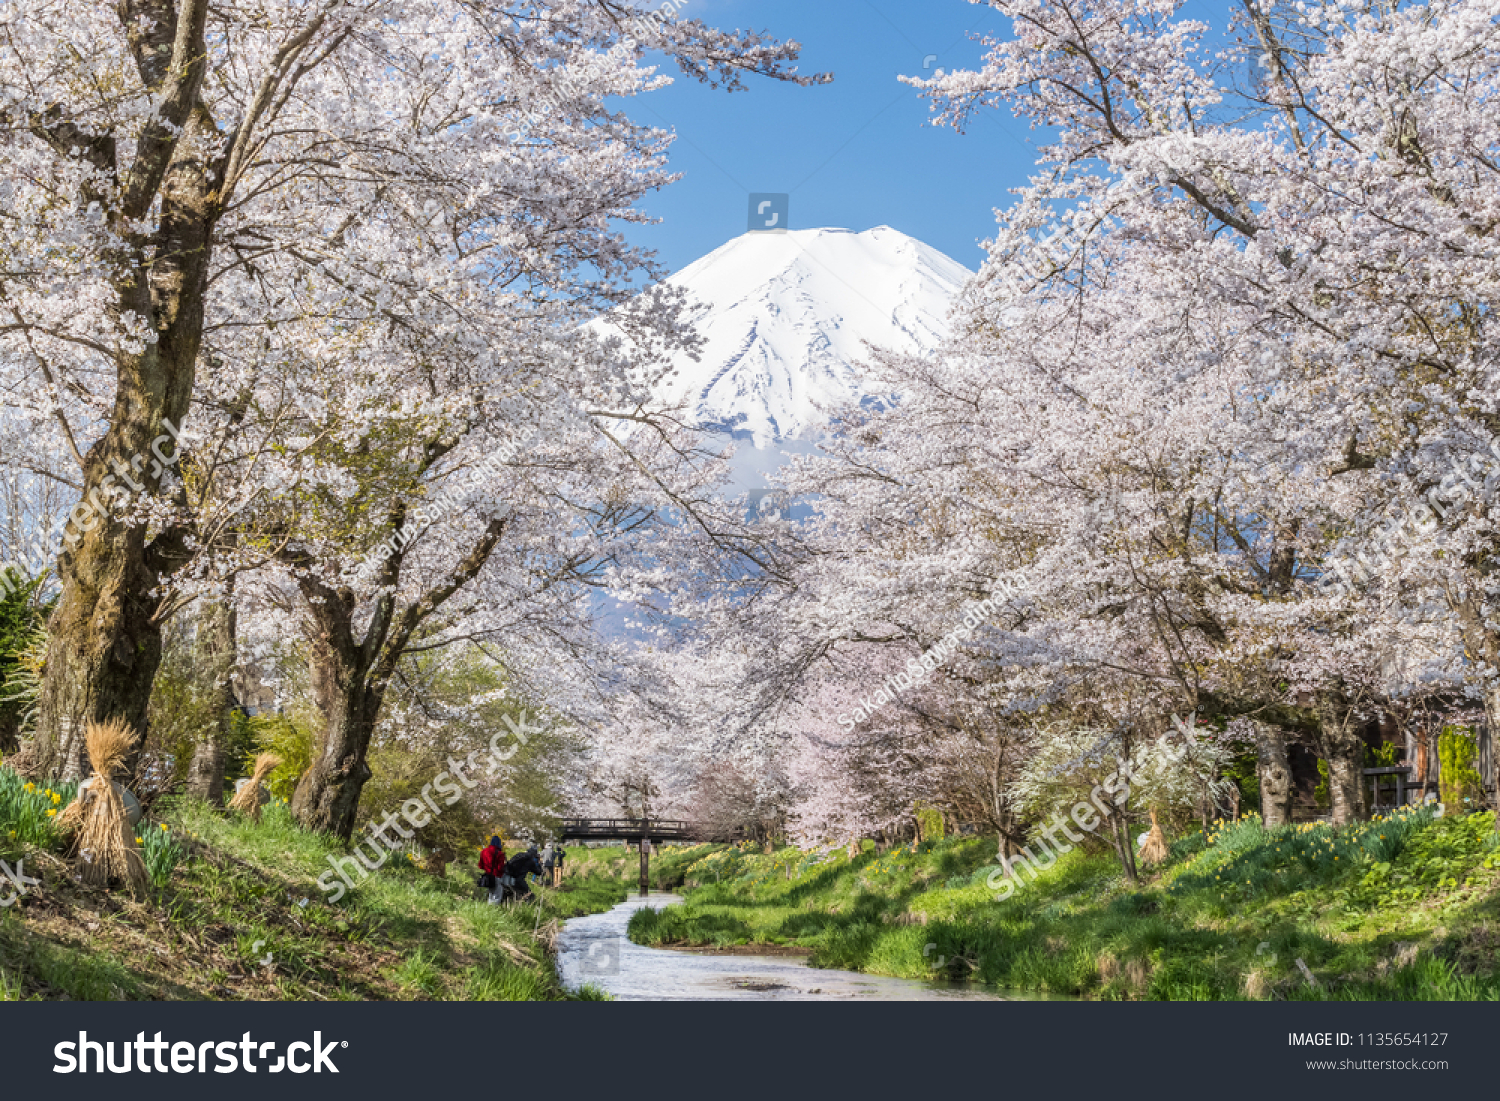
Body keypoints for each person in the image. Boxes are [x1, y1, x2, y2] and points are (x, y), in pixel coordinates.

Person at [479, 836, 507, 904]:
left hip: (487, 876)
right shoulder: (500, 854)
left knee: (491, 894)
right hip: (496, 876)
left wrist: (487, 868)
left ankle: (489, 909)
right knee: (497, 895)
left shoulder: (484, 851)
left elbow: (480, 866)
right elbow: (500, 868)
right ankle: (493, 911)